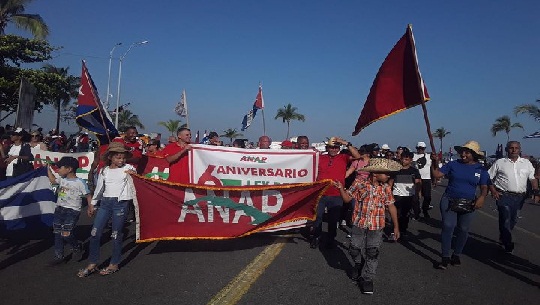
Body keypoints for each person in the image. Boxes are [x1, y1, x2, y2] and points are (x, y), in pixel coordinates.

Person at [334, 158, 401, 294]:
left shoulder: (386, 188)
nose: (388, 176)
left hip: (377, 225)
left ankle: (368, 278)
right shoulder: (359, 183)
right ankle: (359, 263)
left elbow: (391, 206)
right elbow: (347, 198)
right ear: (375, 173)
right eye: (385, 173)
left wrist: (396, 227)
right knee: (354, 249)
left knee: (372, 252)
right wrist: (341, 189)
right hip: (359, 222)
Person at [77, 142, 136, 277]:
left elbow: (136, 180)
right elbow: (99, 189)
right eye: (118, 157)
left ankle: (114, 263)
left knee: (116, 234)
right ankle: (93, 263)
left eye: (123, 157)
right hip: (105, 203)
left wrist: (132, 174)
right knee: (94, 233)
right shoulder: (104, 170)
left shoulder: (129, 168)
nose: (121, 160)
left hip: (120, 204)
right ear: (110, 157)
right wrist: (92, 204)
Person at [430, 140, 489, 269]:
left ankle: (456, 254)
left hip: (469, 203)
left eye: (467, 152)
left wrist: (482, 197)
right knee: (448, 226)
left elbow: (484, 186)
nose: (463, 154)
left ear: (474, 154)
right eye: (462, 151)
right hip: (449, 200)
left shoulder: (481, 169)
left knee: (463, 229)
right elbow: (436, 174)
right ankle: (445, 257)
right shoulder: (453, 164)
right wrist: (433, 162)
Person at [488, 141, 539, 253]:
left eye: (516, 148)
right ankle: (507, 242)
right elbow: (488, 177)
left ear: (520, 149)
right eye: (511, 148)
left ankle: (504, 235)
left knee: (514, 218)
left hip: (520, 197)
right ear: (507, 150)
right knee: (505, 217)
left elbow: (533, 178)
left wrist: (536, 191)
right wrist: (493, 190)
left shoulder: (526, 163)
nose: (514, 150)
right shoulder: (500, 162)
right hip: (503, 195)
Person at [310, 136, 360, 249]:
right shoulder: (320, 157)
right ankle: (316, 237)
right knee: (317, 217)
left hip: (336, 195)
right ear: (327, 148)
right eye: (331, 147)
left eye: (336, 147)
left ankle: (330, 239)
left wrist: (344, 142)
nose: (333, 149)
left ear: (339, 148)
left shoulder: (344, 157)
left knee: (333, 220)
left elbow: (358, 156)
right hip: (320, 194)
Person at [47, 157, 91, 265]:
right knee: (57, 233)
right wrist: (47, 168)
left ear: (69, 169)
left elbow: (88, 195)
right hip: (59, 209)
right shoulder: (62, 179)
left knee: (66, 233)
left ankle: (76, 247)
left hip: (72, 211)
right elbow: (52, 180)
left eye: (60, 168)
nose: (58, 170)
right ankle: (59, 256)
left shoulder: (79, 182)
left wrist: (90, 207)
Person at [392, 151, 421, 236]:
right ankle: (395, 229)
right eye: (402, 159)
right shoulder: (395, 170)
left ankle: (403, 230)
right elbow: (390, 182)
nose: (404, 161)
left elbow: (418, 183)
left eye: (406, 159)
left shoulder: (414, 171)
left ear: (411, 160)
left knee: (405, 214)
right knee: (396, 213)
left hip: (408, 196)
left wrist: (417, 194)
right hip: (397, 195)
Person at [413, 141, 433, 219]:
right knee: (416, 197)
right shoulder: (413, 156)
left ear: (424, 148)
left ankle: (425, 210)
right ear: (416, 148)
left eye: (422, 148)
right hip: (416, 179)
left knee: (427, 197)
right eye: (419, 148)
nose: (420, 149)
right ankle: (416, 212)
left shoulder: (429, 156)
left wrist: (435, 179)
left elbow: (433, 167)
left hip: (427, 179)